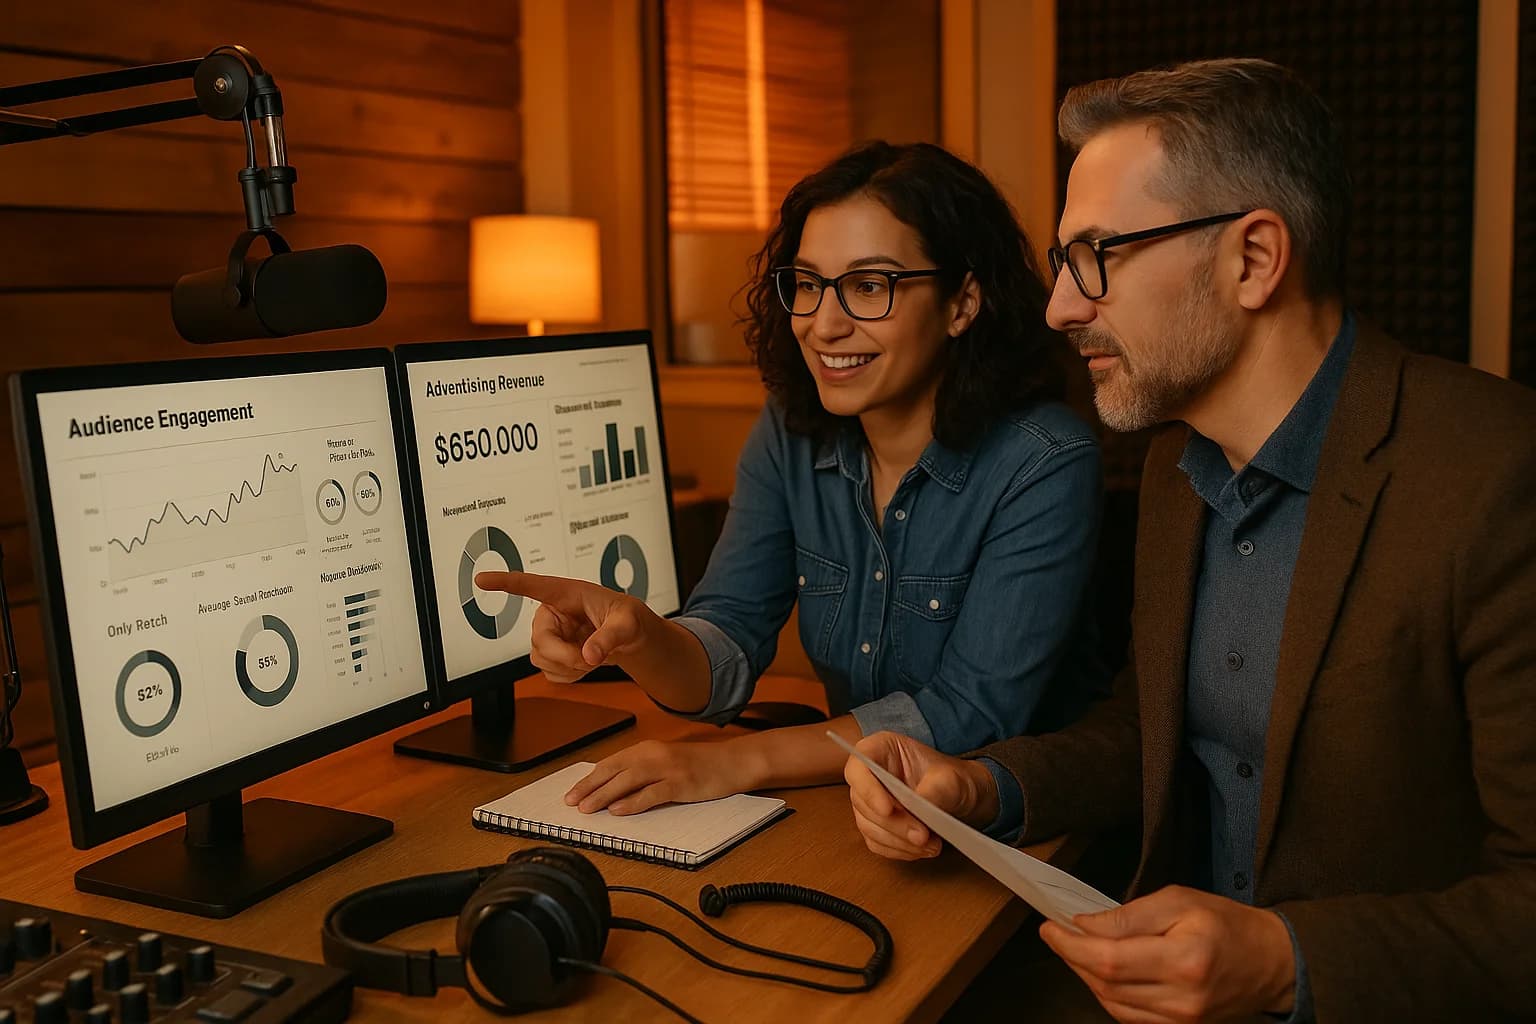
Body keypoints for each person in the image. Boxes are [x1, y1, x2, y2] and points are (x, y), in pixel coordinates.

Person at [844, 59, 1536, 1023]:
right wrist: (982, 785)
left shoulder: (1499, 476)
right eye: (1061, 264)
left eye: (1097, 257)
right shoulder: (1176, 469)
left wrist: (1286, 960)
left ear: (1253, 258)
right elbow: (1153, 732)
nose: (1059, 308)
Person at [476, 141, 1105, 816]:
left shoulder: (1043, 460)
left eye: (870, 286)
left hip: (1013, 835)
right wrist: (640, 637)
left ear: (962, 303)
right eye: (808, 285)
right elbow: (728, 640)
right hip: (860, 809)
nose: (825, 325)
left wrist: (735, 762)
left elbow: (970, 715)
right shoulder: (790, 431)